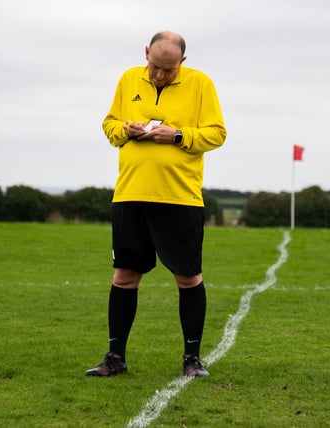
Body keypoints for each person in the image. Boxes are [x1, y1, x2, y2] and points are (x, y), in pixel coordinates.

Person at [85, 31, 227, 378]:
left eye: (169, 69)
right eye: (155, 66)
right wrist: (126, 129)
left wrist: (177, 135)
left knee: (188, 278)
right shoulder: (128, 79)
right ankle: (115, 357)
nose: (160, 75)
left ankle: (192, 359)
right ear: (146, 52)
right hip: (130, 195)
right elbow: (109, 125)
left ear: (183, 61)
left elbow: (217, 133)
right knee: (124, 277)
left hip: (179, 198)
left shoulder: (201, 84)